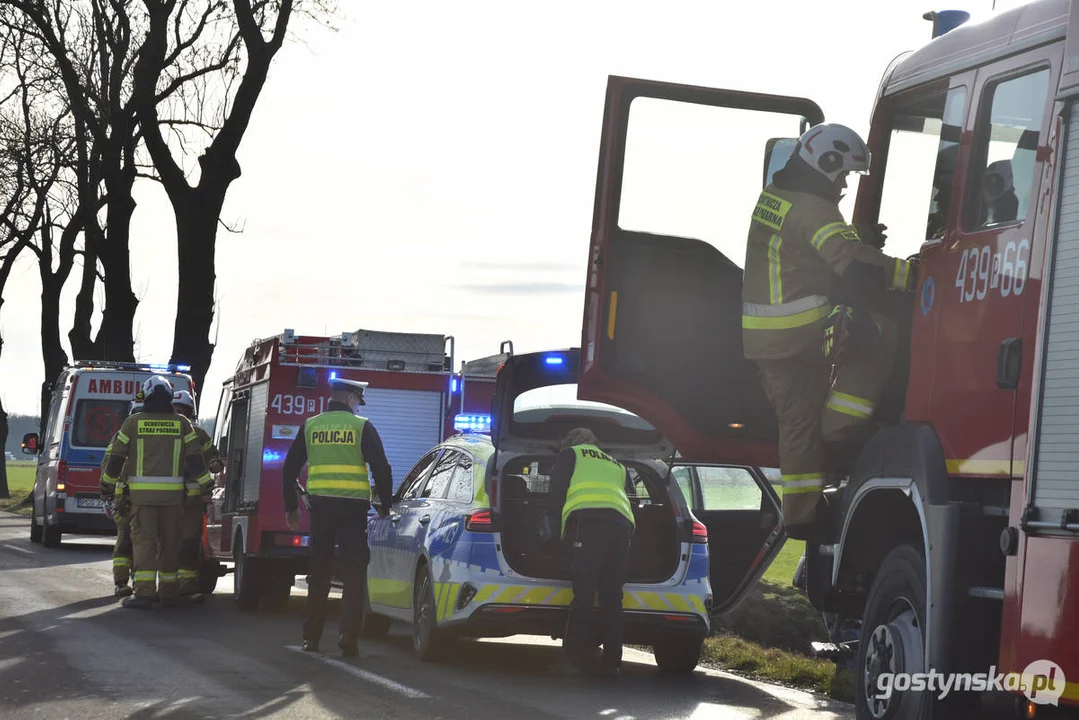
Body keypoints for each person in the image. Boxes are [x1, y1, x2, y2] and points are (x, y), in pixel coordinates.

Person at [741, 123, 918, 541]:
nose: (843, 186)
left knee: (796, 423)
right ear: (827, 163)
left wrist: (855, 237)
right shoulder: (817, 209)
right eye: (844, 176)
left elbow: (804, 243)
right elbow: (853, 268)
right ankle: (843, 426)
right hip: (803, 330)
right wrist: (915, 274)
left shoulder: (775, 198)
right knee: (880, 329)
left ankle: (802, 516)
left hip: (767, 339)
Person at [281, 378, 393, 657]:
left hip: (320, 508)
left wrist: (291, 508)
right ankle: (348, 636)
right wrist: (385, 505)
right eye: (358, 402)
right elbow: (381, 467)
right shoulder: (361, 426)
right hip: (354, 510)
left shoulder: (311, 425)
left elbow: (289, 468)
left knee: (318, 573)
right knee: (354, 573)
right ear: (352, 399)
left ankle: (311, 638)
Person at [101, 376, 212, 608]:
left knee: (144, 544)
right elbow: (195, 460)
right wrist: (206, 487)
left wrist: (107, 487)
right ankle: (169, 593)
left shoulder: (133, 423)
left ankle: (144, 592)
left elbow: (116, 458)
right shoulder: (183, 424)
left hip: (142, 500)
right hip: (173, 501)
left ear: (147, 395)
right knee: (171, 544)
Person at [547, 427, 634, 677]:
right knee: (612, 595)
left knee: (583, 593)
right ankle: (612, 663)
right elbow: (627, 495)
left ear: (571, 441)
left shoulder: (571, 454)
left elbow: (557, 491)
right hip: (622, 526)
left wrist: (553, 525)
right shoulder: (616, 463)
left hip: (589, 522)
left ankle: (572, 661)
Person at [172, 389, 223, 603]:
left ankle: (186, 587)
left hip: (192, 503)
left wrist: (214, 463)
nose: (179, 414)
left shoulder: (199, 434)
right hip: (166, 502)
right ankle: (163, 587)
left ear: (189, 411)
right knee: (164, 543)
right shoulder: (165, 433)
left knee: (190, 544)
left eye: (182, 410)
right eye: (175, 410)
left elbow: (213, 457)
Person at [101, 395, 144, 598]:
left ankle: (140, 581)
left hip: (146, 497)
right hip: (126, 497)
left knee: (143, 540)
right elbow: (109, 462)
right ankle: (121, 582)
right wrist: (107, 491)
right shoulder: (122, 434)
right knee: (126, 539)